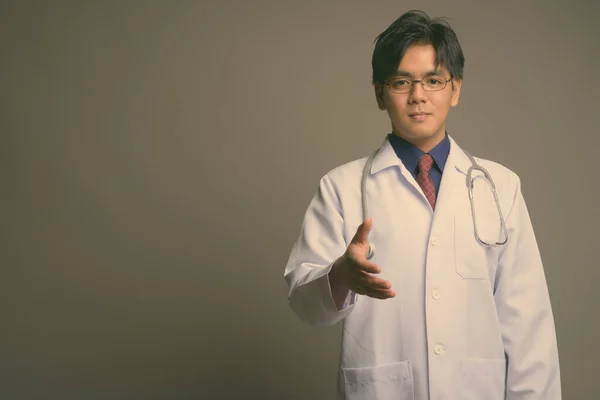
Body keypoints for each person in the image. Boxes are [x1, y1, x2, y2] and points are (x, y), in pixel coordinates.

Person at [283, 9, 561, 400]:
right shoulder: (341, 188)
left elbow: (529, 326)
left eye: (433, 80)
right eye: (401, 82)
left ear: (455, 89)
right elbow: (303, 304)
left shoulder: (501, 188)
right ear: (380, 93)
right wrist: (342, 275)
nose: (418, 96)